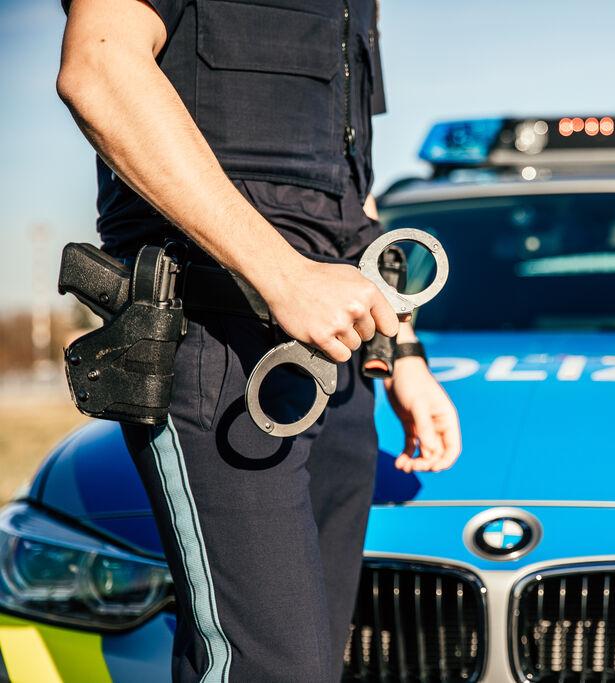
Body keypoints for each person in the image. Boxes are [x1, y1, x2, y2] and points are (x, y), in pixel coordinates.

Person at [56, 0, 462, 680]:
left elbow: (349, 187)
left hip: (337, 366)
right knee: (269, 668)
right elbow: (99, 66)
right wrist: (282, 275)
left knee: (312, 661)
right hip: (214, 346)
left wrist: (404, 355)